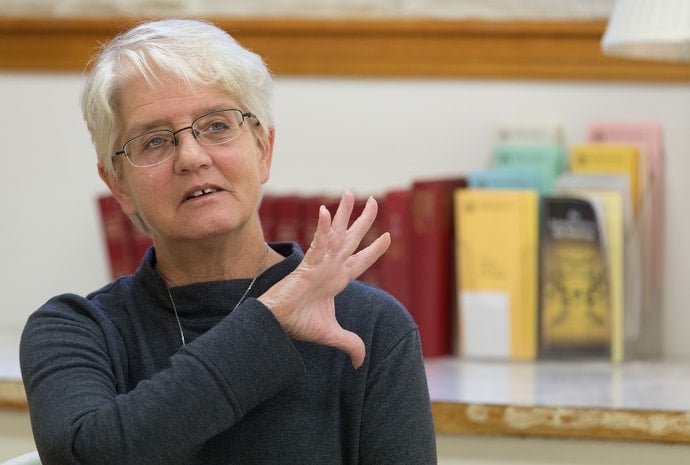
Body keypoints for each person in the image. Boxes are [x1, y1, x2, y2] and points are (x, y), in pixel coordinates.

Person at [19, 18, 437, 465]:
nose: (192, 157)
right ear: (118, 183)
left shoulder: (370, 325)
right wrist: (271, 322)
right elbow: (88, 456)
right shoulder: (74, 329)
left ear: (264, 149)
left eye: (217, 126)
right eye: (155, 141)